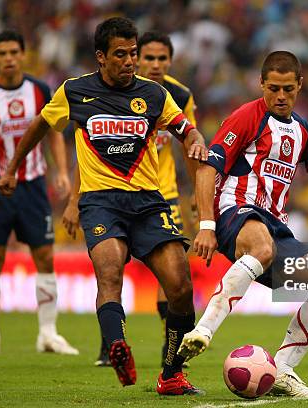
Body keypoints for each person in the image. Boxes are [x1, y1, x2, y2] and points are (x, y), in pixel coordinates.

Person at [0, 17, 208, 395]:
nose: (130, 61)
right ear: (101, 56)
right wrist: (13, 167)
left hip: (148, 202)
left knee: (180, 287)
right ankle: (116, 346)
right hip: (100, 203)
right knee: (109, 274)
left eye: (133, 53)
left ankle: (172, 373)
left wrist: (194, 139)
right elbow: (40, 126)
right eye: (121, 54)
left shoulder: (155, 95)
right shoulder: (75, 91)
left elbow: (185, 127)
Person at [177, 51, 308, 397]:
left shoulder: (302, 130)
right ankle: (203, 330)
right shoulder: (247, 116)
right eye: (273, 88)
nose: (280, 96)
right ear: (261, 83)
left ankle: (283, 370)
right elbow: (207, 170)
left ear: (299, 86)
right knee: (261, 247)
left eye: (287, 89)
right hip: (237, 210)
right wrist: (206, 225)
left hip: (276, 224)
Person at [0, 30, 77, 356]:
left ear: (23, 54)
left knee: (45, 258)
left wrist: (62, 171)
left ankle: (49, 334)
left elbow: (54, 131)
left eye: (14, 51)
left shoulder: (39, 90)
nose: (9, 58)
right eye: (3, 53)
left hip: (34, 184)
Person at [92, 31, 199, 368]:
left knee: (174, 277)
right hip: (115, 195)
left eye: (160, 58)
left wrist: (198, 192)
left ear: (169, 60)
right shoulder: (121, 89)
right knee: (112, 268)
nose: (153, 64)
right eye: (147, 57)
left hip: (162, 195)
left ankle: (171, 352)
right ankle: (109, 343)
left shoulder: (179, 95)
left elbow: (189, 145)